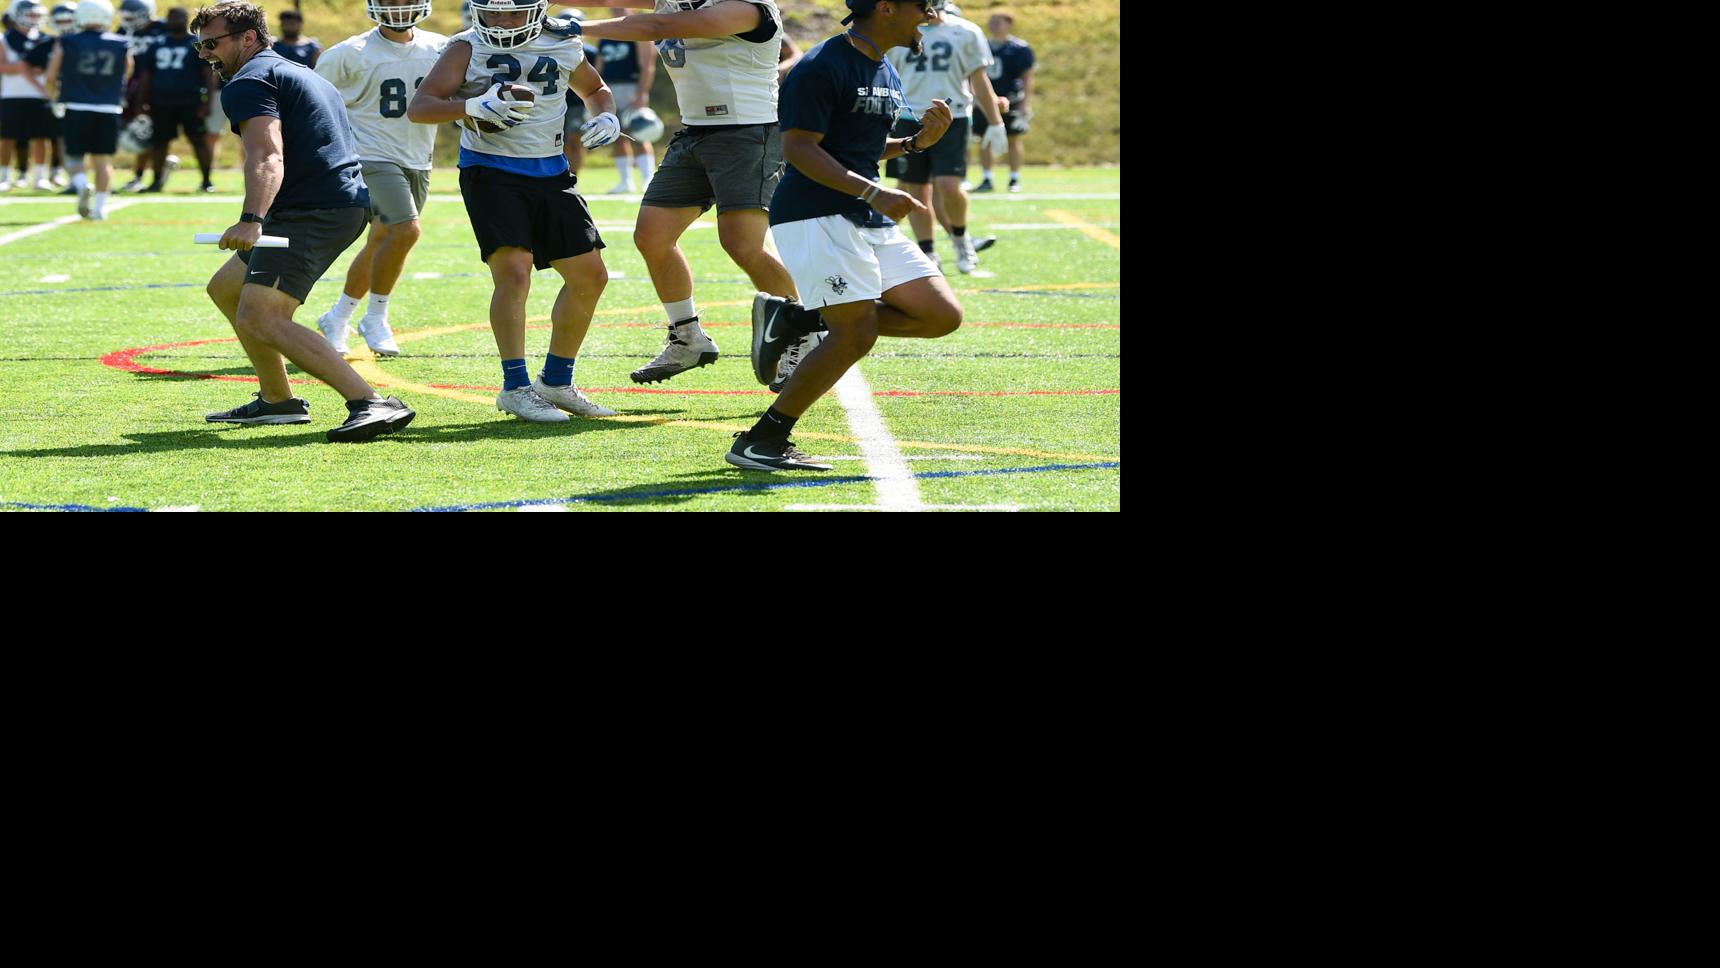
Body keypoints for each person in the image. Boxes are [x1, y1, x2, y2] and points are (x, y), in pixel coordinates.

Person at [731, 0, 961, 472]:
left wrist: (918, 143)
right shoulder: (822, 64)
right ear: (887, 7)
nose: (930, 16)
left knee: (939, 315)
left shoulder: (884, 67)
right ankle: (762, 441)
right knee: (855, 333)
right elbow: (797, 147)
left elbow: (863, 147)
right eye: (924, 7)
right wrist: (871, 191)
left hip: (863, 212)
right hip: (816, 214)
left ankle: (797, 320)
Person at [192, 0, 415, 442]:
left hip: (310, 210)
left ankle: (372, 402)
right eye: (201, 47)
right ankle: (278, 401)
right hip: (335, 202)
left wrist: (252, 218)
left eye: (213, 44)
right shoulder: (294, 70)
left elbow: (267, 153)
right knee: (226, 288)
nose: (207, 54)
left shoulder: (248, 81)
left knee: (263, 317)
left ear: (248, 38)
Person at [408, 0, 622, 423]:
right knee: (515, 272)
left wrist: (609, 115)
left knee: (589, 275)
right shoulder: (465, 47)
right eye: (494, 12)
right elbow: (421, 107)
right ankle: (515, 387)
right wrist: (469, 107)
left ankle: (557, 381)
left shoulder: (562, 42)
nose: (503, 21)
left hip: (552, 170)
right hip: (491, 171)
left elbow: (595, 90)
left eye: (513, 12)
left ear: (537, 10)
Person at [576, 1, 807, 388]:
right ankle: (688, 338)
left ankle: (806, 331)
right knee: (652, 236)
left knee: (742, 244)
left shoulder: (748, 7)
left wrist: (574, 28)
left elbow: (658, 25)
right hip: (695, 132)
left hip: (748, 133)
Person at [313, 0, 447, 357]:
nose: (399, 7)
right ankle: (376, 317)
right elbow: (313, 104)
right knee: (406, 229)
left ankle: (337, 316)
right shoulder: (348, 53)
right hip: (368, 155)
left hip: (418, 156)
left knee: (383, 239)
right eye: (390, 0)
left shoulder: (442, 47)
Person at [883, 0, 1003, 275]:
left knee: (950, 185)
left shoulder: (966, 31)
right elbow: (888, 75)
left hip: (954, 116)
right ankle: (928, 251)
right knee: (915, 188)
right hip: (909, 117)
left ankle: (961, 242)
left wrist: (996, 121)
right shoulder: (900, 30)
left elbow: (979, 79)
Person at [40, 0, 129, 218]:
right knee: (103, 160)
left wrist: (53, 97)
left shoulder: (68, 41)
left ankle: (81, 185)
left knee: (73, 157)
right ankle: (99, 209)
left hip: (76, 105)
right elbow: (128, 71)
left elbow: (51, 76)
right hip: (109, 107)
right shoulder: (120, 42)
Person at [136, 6, 215, 191]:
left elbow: (208, 76)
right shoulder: (157, 44)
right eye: (172, 17)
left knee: (198, 140)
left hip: (190, 100)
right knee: (159, 142)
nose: (175, 21)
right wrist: (141, 101)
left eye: (179, 17)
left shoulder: (196, 43)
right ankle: (156, 181)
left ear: (187, 19)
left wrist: (207, 102)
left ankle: (206, 181)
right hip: (161, 101)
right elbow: (146, 76)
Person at [1, 0, 58, 192]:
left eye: (37, 15)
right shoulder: (5, 39)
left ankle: (40, 177)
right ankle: (4, 176)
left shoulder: (47, 40)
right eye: (30, 15)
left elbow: (52, 67)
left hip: (40, 95)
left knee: (41, 137)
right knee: (7, 137)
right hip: (11, 95)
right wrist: (20, 68)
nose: (35, 19)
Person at [973, 7, 1029, 193]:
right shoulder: (982, 45)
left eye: (998, 21)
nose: (993, 25)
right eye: (991, 21)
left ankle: (1014, 178)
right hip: (985, 100)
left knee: (1013, 138)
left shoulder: (1019, 48)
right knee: (984, 139)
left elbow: (1027, 77)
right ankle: (987, 177)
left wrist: (1025, 103)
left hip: (1011, 100)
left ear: (1009, 24)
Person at [593, 6, 648, 192]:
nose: (616, 11)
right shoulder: (606, 34)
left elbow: (647, 67)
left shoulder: (638, 31)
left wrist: (641, 94)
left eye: (620, 7)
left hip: (631, 87)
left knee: (640, 133)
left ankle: (647, 179)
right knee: (616, 133)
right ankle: (626, 181)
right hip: (610, 88)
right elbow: (598, 69)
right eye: (613, 8)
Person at [115, 0, 164, 192]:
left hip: (155, 87)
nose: (128, 20)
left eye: (131, 16)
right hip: (128, 86)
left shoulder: (162, 28)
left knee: (147, 130)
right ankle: (135, 174)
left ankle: (141, 174)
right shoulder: (122, 30)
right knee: (130, 129)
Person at [554, 6, 595, 173]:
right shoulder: (551, 48)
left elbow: (594, 81)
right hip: (556, 101)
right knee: (557, 142)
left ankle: (574, 176)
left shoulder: (590, 51)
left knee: (574, 140)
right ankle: (559, 173)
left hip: (578, 103)